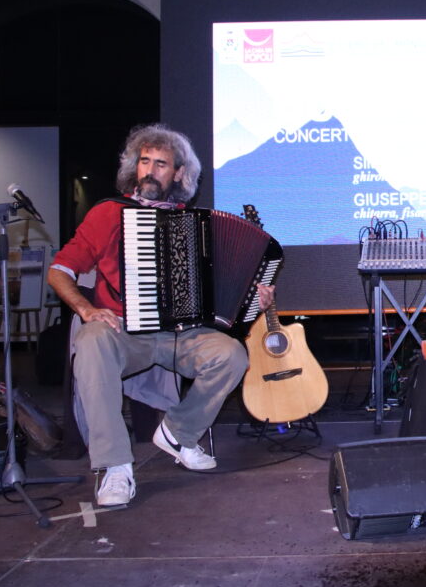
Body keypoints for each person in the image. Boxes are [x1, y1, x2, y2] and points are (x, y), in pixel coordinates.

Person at [48, 123, 271, 507]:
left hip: (179, 333)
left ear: (179, 173)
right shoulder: (108, 214)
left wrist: (256, 297)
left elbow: (223, 288)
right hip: (122, 331)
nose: (150, 171)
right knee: (90, 341)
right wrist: (86, 309)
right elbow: (59, 270)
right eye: (144, 161)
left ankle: (177, 434)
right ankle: (115, 466)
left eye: (161, 164)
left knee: (231, 355)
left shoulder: (193, 224)